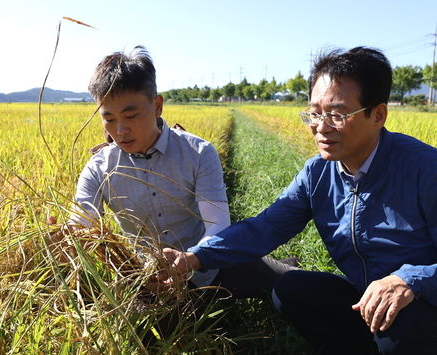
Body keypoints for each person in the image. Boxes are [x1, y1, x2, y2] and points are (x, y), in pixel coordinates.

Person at [162, 47, 437, 354]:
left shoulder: (425, 170)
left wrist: (410, 280)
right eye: (315, 112)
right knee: (291, 290)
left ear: (378, 115)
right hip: (367, 297)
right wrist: (195, 257)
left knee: (401, 320)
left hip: (423, 306)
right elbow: (265, 227)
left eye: (337, 114)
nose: (321, 126)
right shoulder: (318, 173)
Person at [61, 45, 295, 298]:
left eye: (131, 116)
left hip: (211, 265)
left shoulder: (198, 152)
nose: (120, 130)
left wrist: (192, 259)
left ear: (157, 105)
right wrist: (68, 235)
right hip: (150, 279)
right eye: (109, 118)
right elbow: (83, 222)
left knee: (290, 285)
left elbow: (217, 223)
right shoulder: (99, 167)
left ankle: (283, 265)